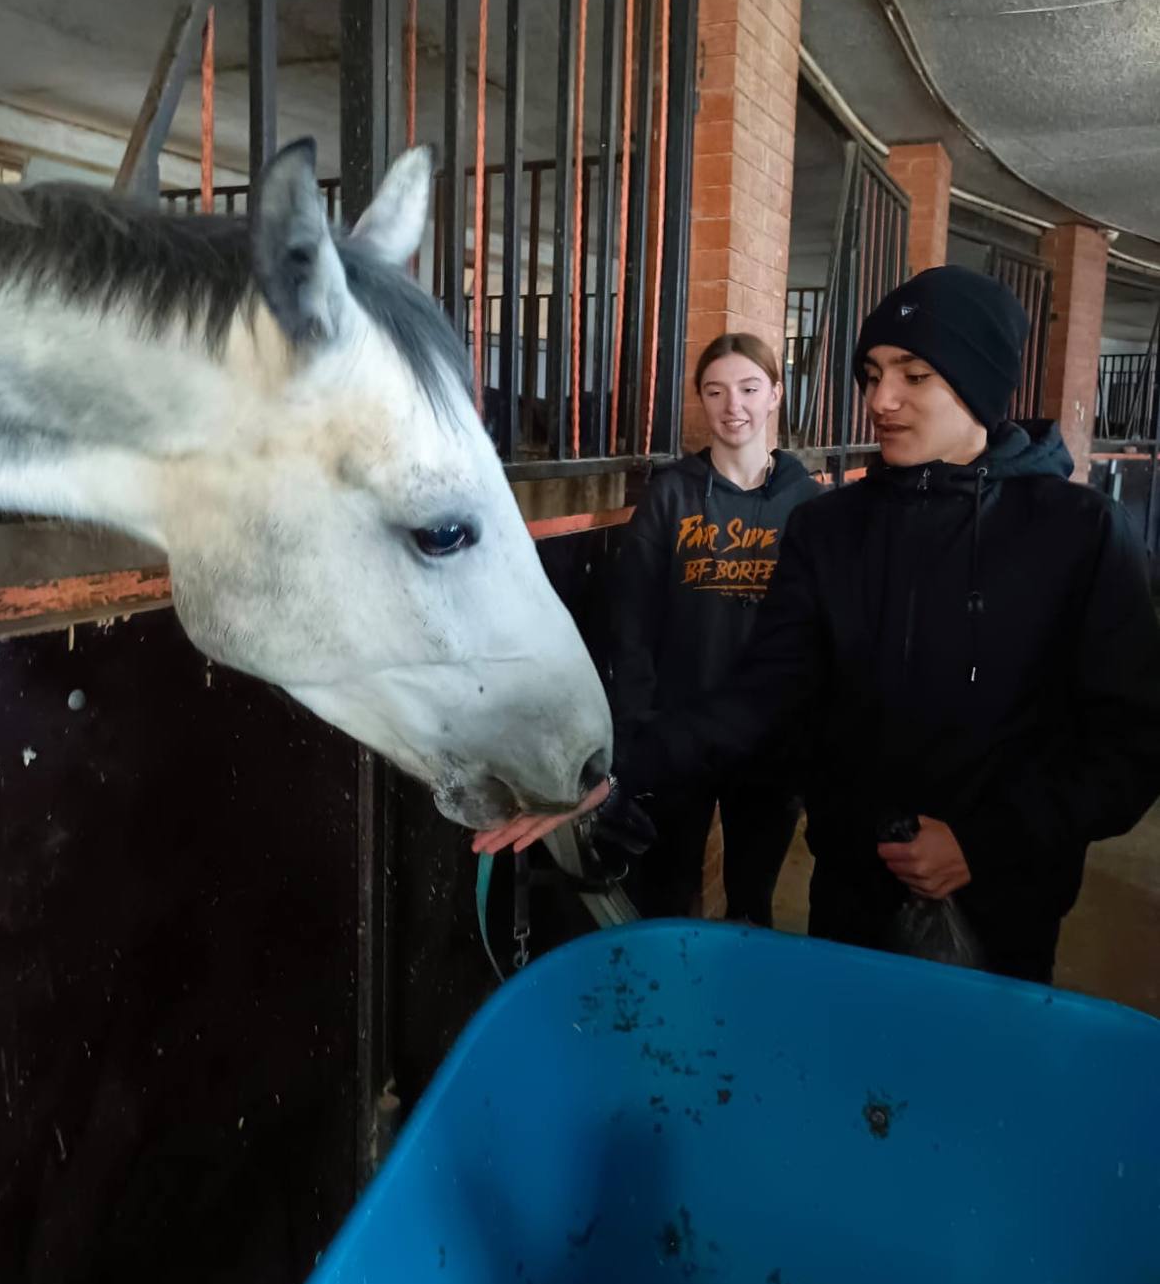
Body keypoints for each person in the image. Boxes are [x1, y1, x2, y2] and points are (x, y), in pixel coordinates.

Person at [475, 266, 1160, 984]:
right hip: (848, 897)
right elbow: (762, 696)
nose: (880, 399)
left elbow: (1127, 747)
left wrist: (984, 845)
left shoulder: (1076, 533)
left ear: (981, 384)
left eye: (914, 375)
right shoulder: (829, 528)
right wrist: (610, 774)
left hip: (1002, 909)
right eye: (870, 373)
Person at [608, 331, 820, 924]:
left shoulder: (809, 504)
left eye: (750, 388)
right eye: (717, 390)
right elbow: (633, 622)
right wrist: (636, 732)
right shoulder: (670, 495)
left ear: (775, 394)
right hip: (679, 734)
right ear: (701, 399)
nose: (734, 406)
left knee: (751, 898)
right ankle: (670, 1011)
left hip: (769, 741)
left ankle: (739, 1007)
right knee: (667, 895)